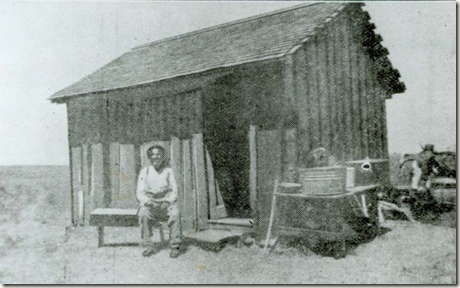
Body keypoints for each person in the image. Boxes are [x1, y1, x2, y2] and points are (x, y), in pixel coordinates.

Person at [136, 145, 183, 258]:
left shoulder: (168, 171)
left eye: (158, 155)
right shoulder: (145, 172)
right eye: (153, 155)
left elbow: (174, 191)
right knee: (143, 213)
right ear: (149, 157)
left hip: (165, 205)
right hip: (150, 204)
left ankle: (175, 246)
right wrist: (148, 202)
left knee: (175, 213)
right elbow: (140, 192)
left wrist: (167, 201)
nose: (155, 157)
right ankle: (148, 246)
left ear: (162, 157)